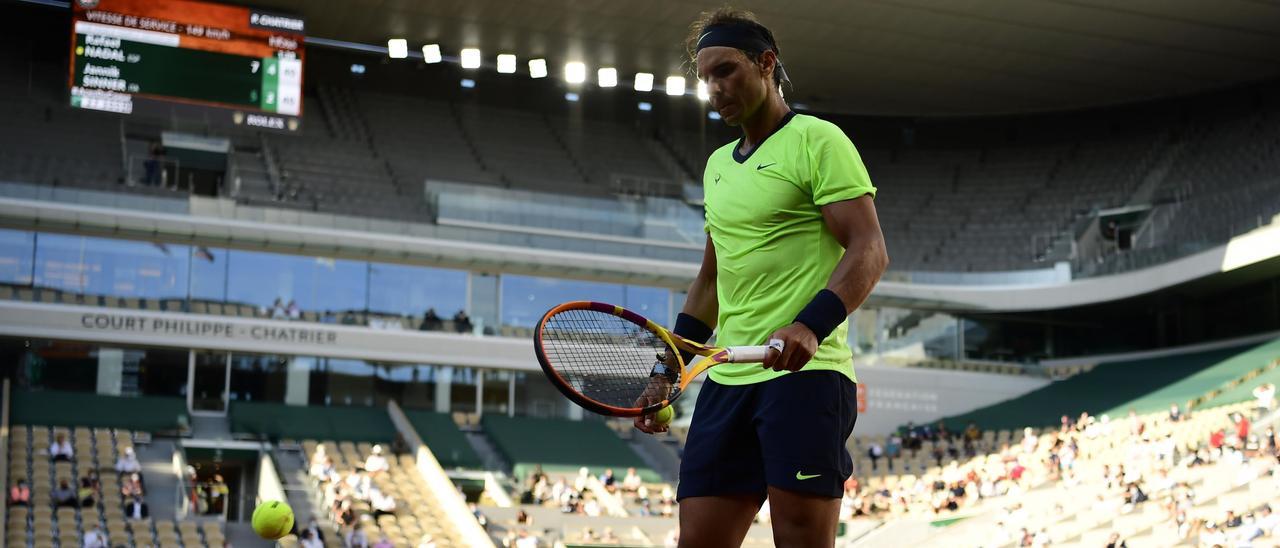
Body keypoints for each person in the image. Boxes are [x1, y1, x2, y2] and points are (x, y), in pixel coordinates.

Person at [631, 9, 887, 548]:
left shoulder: (819, 140)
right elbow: (710, 280)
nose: (714, 89)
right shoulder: (718, 165)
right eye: (705, 78)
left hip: (805, 380)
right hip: (727, 384)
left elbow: (869, 250)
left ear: (767, 63)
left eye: (725, 71)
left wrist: (810, 325)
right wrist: (668, 368)